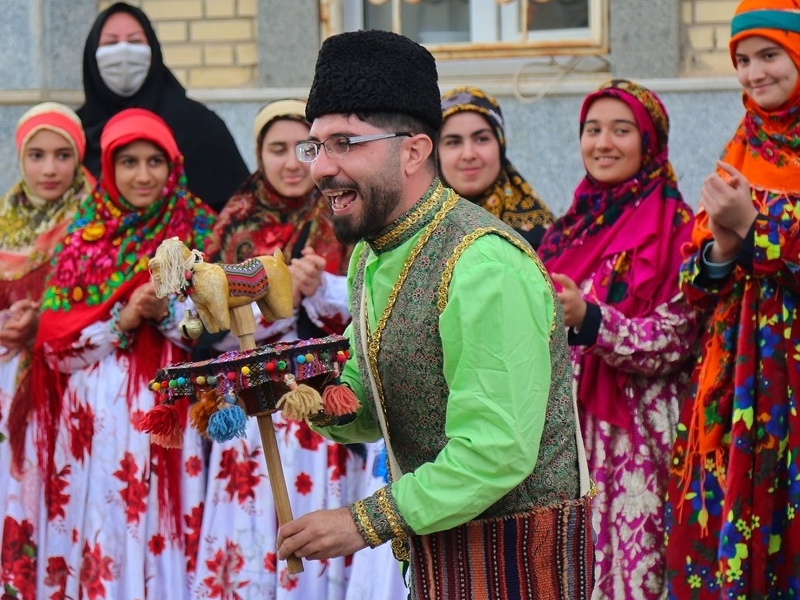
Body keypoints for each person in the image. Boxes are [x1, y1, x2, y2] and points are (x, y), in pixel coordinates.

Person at [274, 29, 595, 599]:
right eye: (314, 145)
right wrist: (301, 390)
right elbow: (370, 406)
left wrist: (358, 523)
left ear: (415, 150)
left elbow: (495, 450)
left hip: (517, 568)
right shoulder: (372, 257)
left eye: (344, 142)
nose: (320, 167)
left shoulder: (483, 262)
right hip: (439, 563)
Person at [196, 99, 406, 599]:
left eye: (305, 148)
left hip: (328, 416)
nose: (292, 162)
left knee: (325, 541)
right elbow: (209, 330)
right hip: (258, 413)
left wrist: (322, 288)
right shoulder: (233, 227)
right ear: (258, 155)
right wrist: (275, 300)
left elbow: (374, 315)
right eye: (276, 148)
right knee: (253, 539)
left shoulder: (355, 219)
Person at [31, 108, 215, 599]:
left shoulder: (199, 231)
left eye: (155, 161)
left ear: (172, 165)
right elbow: (55, 349)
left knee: (165, 532)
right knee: (103, 529)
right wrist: (124, 319)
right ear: (108, 169)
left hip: (171, 418)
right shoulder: (83, 241)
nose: (142, 174)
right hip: (96, 428)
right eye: (128, 162)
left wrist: (166, 315)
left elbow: (220, 329)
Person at [536, 79, 699, 599]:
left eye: (621, 130)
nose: (603, 143)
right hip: (567, 441)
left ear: (650, 142)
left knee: (635, 579)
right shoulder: (567, 231)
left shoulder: (679, 229)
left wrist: (591, 320)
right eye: (592, 129)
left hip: (640, 444)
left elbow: (676, 338)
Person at [665, 0, 800, 596]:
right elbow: (695, 285)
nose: (753, 74)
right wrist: (720, 246)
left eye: (768, 55)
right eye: (742, 60)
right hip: (737, 386)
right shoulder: (742, 145)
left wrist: (756, 230)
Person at [0, 102, 94, 598]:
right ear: (21, 158)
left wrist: (43, 324)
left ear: (79, 159)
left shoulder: (94, 221)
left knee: (63, 494)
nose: (50, 169)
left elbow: (96, 303)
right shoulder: (4, 222)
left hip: (71, 383)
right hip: (11, 385)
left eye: (62, 155)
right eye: (37, 155)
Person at [76, 1, 249, 212]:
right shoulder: (74, 136)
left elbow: (238, 214)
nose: (124, 52)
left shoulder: (200, 126)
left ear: (153, 50)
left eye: (135, 41)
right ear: (91, 55)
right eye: (111, 43)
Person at [438, 86, 555, 248]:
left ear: (500, 145)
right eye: (453, 142)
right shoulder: (412, 229)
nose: (468, 154)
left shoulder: (543, 237)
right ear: (436, 152)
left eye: (481, 139)